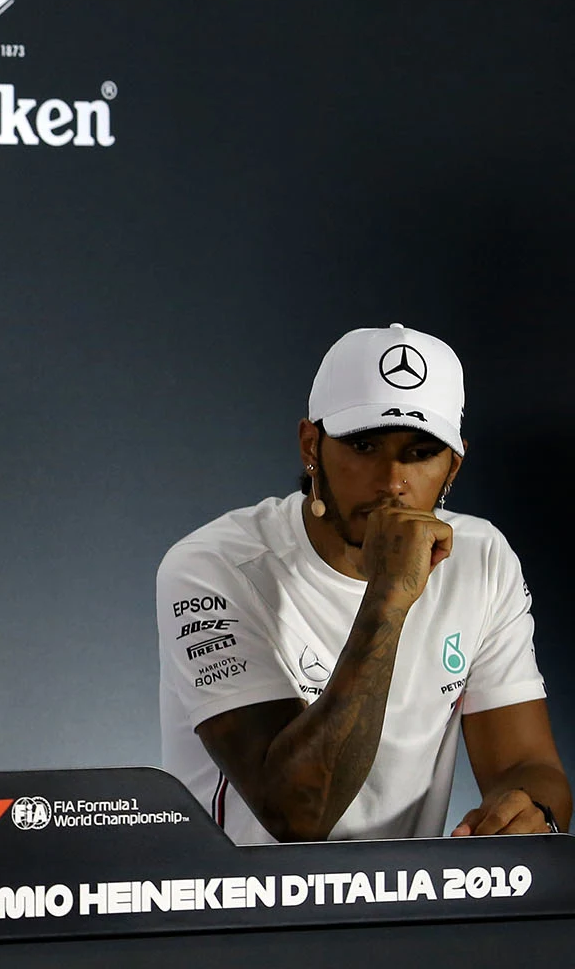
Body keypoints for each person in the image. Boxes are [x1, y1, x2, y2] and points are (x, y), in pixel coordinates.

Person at [158, 323, 568, 843]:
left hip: (405, 907)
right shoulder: (211, 567)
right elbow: (297, 815)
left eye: (420, 453)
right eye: (364, 444)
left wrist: (530, 810)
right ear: (312, 445)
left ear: (453, 467)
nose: (392, 482)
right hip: (239, 911)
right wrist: (390, 595)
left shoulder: (481, 559)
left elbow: (526, 764)